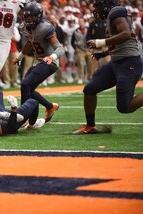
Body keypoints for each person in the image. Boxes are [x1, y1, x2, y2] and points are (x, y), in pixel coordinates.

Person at [72, 0, 143, 134]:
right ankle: (90, 126)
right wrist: (104, 53)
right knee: (90, 89)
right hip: (116, 63)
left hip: (129, 63)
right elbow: (120, 42)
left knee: (125, 107)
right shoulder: (114, 15)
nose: (97, 10)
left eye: (98, 6)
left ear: (106, 4)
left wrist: (100, 42)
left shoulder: (116, 12)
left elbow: (126, 34)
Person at [12, 2, 65, 123]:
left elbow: (60, 49)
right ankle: (50, 107)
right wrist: (19, 57)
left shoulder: (45, 27)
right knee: (27, 89)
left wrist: (51, 57)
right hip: (38, 61)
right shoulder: (24, 27)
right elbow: (30, 43)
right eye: (27, 16)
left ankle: (23, 117)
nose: (29, 18)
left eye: (32, 16)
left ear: (39, 16)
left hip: (49, 62)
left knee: (25, 84)